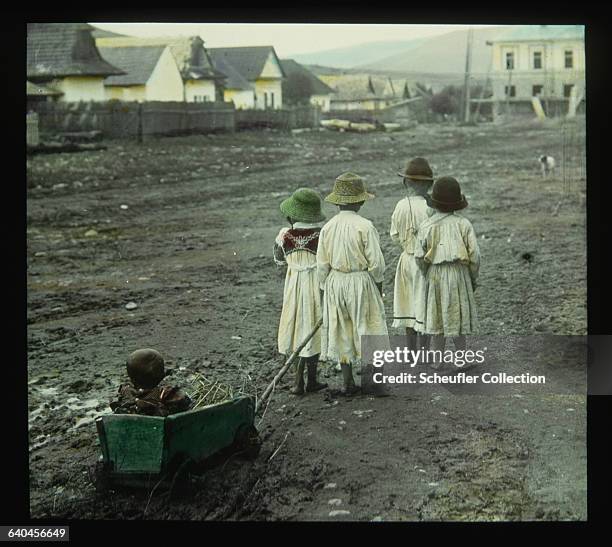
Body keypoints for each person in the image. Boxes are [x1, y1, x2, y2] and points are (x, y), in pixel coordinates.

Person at [317, 172, 389, 395]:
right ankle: (373, 383)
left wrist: (323, 288)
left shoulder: (327, 228)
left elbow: (322, 264)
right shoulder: (365, 226)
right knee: (370, 329)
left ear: (337, 202)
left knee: (342, 329)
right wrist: (378, 284)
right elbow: (376, 263)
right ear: (360, 201)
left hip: (335, 281)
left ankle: (347, 382)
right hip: (360, 281)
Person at [414, 177, 480, 367]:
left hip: (434, 274)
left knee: (437, 316)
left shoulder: (427, 225)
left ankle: (438, 360)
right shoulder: (463, 224)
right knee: (457, 315)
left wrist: (426, 272)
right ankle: (461, 359)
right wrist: (472, 277)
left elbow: (419, 255)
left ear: (434, 202)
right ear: (456, 203)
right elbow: (474, 255)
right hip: (459, 274)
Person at [273, 188, 328, 395]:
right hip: (315, 286)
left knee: (295, 326)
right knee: (313, 326)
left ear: (291, 215)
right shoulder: (321, 235)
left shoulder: (284, 235)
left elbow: (279, 261)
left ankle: (297, 381)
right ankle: (311, 379)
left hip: (294, 285)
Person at [390, 157, 434, 351]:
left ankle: (410, 352)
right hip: (425, 263)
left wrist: (407, 243)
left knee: (407, 304)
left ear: (407, 182)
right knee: (424, 304)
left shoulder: (400, 206)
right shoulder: (431, 207)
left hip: (406, 260)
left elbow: (394, 235)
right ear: (429, 184)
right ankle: (424, 352)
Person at [110, 348, 192, 416]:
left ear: (132, 379)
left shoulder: (127, 392)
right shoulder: (167, 393)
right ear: (162, 375)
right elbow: (186, 404)